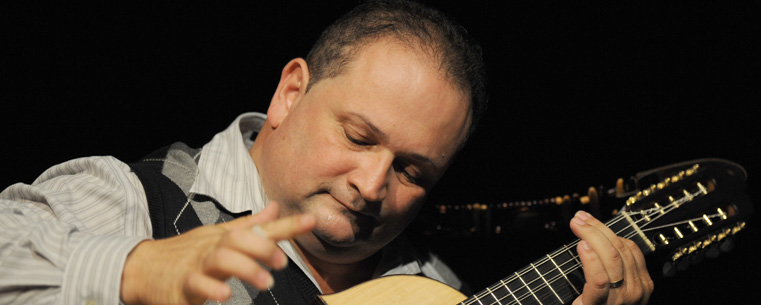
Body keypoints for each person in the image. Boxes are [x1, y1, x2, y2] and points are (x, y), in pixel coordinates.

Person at [0, 1, 653, 304]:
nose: (371, 183)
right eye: (359, 136)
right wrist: (132, 270)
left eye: (410, 169)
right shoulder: (133, 198)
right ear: (289, 93)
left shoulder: (434, 293)